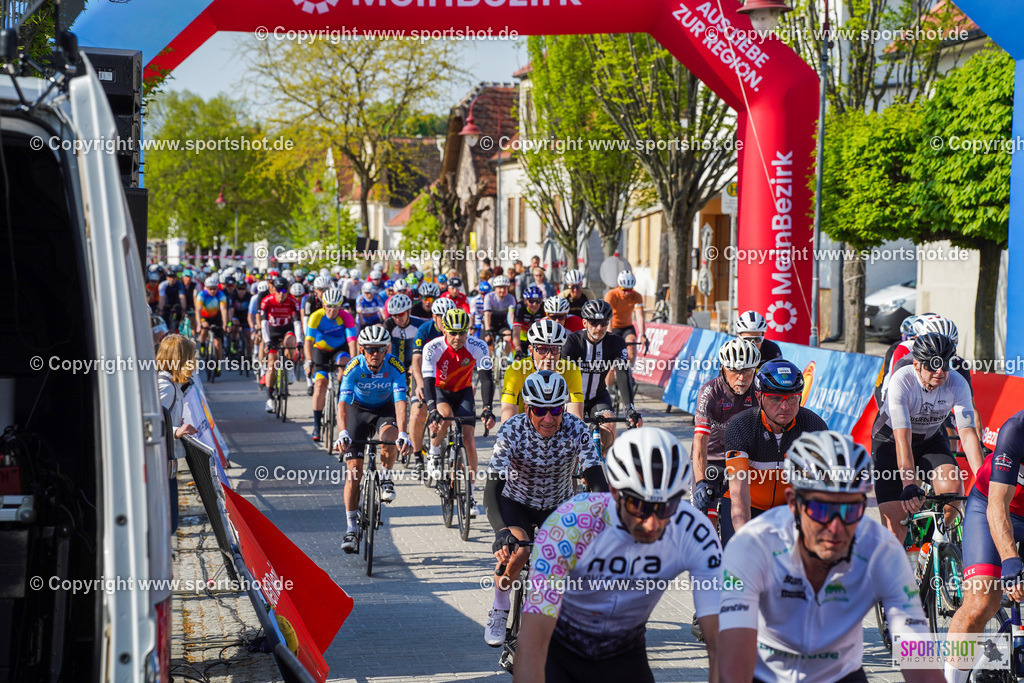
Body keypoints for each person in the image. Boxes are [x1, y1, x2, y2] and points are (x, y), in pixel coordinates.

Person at [718, 431, 939, 683]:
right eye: (822, 509)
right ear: (793, 503)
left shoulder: (881, 550)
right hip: (764, 675)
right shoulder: (753, 544)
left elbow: (917, 656)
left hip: (841, 675)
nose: (836, 527)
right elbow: (732, 653)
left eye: (850, 509)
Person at [513, 427, 722, 682]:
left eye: (666, 507)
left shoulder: (694, 530)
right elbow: (532, 640)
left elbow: (721, 640)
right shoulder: (571, 523)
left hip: (625, 656)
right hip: (558, 655)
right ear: (614, 492)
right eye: (639, 506)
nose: (652, 524)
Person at [483, 371, 608, 647]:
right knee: (519, 551)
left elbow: (597, 480)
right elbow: (491, 490)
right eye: (540, 409)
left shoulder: (577, 429)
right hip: (516, 502)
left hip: (557, 505)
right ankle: (500, 605)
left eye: (555, 409)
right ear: (527, 407)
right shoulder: (512, 429)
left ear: (563, 407)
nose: (548, 418)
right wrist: (500, 532)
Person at [870, 332, 984, 541]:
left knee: (952, 493)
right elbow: (902, 440)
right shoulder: (902, 381)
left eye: (945, 364)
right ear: (916, 365)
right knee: (895, 530)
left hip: (929, 441)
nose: (940, 371)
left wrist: (982, 478)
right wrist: (909, 485)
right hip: (890, 442)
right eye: (932, 365)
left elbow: (968, 435)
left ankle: (930, 547)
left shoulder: (957, 383)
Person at [945, 410, 1024, 683]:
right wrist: (1010, 558)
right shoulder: (1016, 429)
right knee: (981, 601)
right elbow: (997, 507)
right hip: (991, 505)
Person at [722, 359, 828, 545]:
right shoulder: (742, 427)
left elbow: (819, 489)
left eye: (792, 398)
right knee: (738, 562)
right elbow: (739, 494)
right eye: (775, 398)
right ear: (759, 396)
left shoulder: (813, 427)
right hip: (748, 505)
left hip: (788, 510)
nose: (785, 407)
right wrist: (744, 541)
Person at [337, 325, 412, 552]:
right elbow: (342, 403)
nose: (375, 354)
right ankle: (350, 529)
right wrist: (342, 432)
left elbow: (400, 401)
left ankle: (387, 477)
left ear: (386, 348)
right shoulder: (353, 367)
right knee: (353, 472)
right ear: (362, 349)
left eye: (380, 349)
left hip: (384, 409)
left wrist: (403, 433)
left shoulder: (395, 366)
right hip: (358, 411)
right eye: (370, 349)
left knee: (390, 437)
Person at [421, 308, 495, 513]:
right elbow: (427, 380)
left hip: (463, 391)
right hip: (440, 390)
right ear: (444, 330)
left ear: (468, 331)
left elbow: (486, 378)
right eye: (453, 333)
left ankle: (470, 495)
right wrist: (431, 408)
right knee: (445, 416)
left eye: (462, 332)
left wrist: (488, 408)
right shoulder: (432, 347)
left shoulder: (478, 345)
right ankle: (435, 454)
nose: (457, 337)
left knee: (469, 439)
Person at [691, 337, 760, 527]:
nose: (742, 378)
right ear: (723, 368)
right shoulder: (710, 391)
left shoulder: (759, 392)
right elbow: (700, 440)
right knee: (706, 521)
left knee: (740, 518)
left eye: (748, 371)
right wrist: (700, 482)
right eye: (735, 371)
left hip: (739, 459)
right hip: (710, 458)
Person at [561, 299, 640, 456]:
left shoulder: (616, 343)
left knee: (609, 425)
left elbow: (623, 372)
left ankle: (599, 466)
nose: (599, 328)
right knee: (576, 432)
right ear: (585, 322)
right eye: (594, 322)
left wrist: (630, 408)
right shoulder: (572, 342)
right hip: (573, 397)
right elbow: (561, 375)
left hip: (598, 396)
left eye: (604, 322)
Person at [500, 319, 585, 422]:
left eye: (555, 349)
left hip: (557, 428)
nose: (549, 356)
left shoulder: (571, 371)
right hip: (524, 427)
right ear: (531, 350)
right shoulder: (515, 371)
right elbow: (507, 419)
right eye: (542, 349)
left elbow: (576, 418)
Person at [156, 334, 199, 532]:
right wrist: (176, 430)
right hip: (160, 466)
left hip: (165, 464)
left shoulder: (172, 386)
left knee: (169, 523)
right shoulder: (166, 387)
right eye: (191, 357)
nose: (195, 362)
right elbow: (147, 423)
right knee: (168, 523)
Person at [304, 287, 358, 442]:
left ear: (340, 306)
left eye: (336, 307)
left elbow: (352, 342)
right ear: (323, 305)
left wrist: (353, 363)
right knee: (320, 383)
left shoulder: (346, 317)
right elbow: (308, 341)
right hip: (320, 349)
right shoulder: (316, 317)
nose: (332, 310)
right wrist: (308, 360)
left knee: (344, 365)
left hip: (339, 349)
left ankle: (342, 396)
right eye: (329, 306)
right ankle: (316, 425)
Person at [410, 298, 458, 461]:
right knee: (418, 412)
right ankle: (417, 456)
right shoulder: (424, 330)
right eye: (440, 316)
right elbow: (416, 360)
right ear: (433, 316)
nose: (444, 319)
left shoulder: (456, 331)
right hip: (425, 374)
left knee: (446, 414)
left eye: (447, 315)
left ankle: (434, 447)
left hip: (446, 376)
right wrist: (420, 383)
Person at [260, 276, 302, 413]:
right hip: (272, 333)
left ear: (288, 290)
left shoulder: (292, 302)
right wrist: (266, 341)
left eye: (284, 290)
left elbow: (297, 323)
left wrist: (300, 340)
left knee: (290, 341)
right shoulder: (267, 301)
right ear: (274, 290)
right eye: (278, 290)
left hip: (286, 330)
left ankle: (289, 368)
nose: (281, 293)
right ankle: (269, 398)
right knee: (271, 365)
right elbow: (264, 324)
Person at [604, 270, 646, 368]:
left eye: (630, 290)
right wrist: (609, 333)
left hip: (627, 327)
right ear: (619, 286)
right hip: (613, 327)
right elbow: (608, 316)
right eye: (624, 290)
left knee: (632, 343)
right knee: (611, 362)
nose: (627, 293)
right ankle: (609, 383)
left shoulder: (637, 296)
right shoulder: (611, 295)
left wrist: (643, 334)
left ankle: (629, 370)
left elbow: (640, 316)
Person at [195, 275, 230, 376]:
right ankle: (202, 344)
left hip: (216, 317)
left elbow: (223, 310)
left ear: (217, 288)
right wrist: (198, 324)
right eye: (210, 289)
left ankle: (217, 366)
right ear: (206, 288)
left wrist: (225, 324)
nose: (213, 291)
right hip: (204, 317)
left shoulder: (221, 295)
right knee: (204, 328)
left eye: (214, 288)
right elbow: (198, 310)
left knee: (218, 344)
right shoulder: (202, 294)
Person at [483, 274, 516, 355]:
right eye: (499, 287)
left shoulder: (511, 298)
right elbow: (487, 315)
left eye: (504, 287)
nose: (502, 290)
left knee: (508, 337)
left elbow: (511, 314)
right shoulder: (489, 297)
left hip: (502, 323)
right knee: (489, 340)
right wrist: (488, 330)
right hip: (491, 323)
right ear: (495, 288)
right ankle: (490, 361)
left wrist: (513, 328)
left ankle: (505, 359)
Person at [511, 285, 546, 358]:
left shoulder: (544, 307)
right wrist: (518, 350)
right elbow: (515, 331)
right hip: (522, 335)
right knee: (518, 359)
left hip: (536, 336)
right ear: (525, 301)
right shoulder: (520, 307)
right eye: (531, 301)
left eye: (538, 301)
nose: (535, 304)